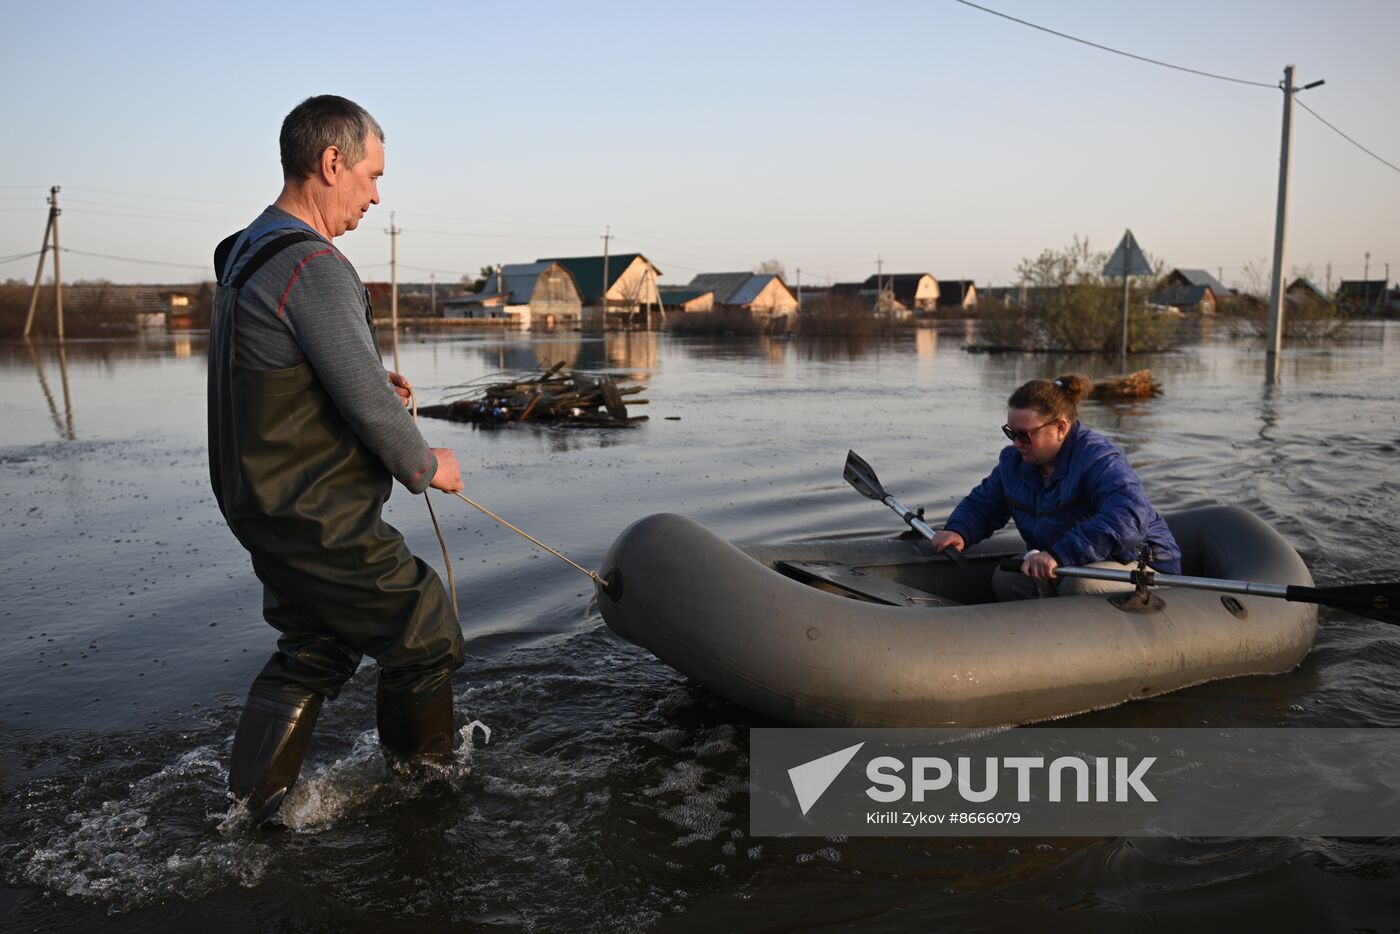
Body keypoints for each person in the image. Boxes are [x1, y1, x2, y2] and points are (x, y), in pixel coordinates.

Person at [208, 95, 466, 822]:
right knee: (423, 630)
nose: (376, 196)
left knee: (316, 645)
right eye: (372, 175)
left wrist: (363, 377)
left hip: (259, 500)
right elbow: (370, 407)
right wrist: (425, 465)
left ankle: (247, 817)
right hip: (313, 508)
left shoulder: (248, 249)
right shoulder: (314, 263)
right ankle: (428, 804)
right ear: (331, 163)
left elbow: (288, 363)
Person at [929, 374, 1181, 601]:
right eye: (1011, 433)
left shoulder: (1099, 458)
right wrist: (959, 531)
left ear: (1060, 427)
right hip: (1068, 560)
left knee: (1080, 586)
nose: (1017, 443)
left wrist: (1059, 554)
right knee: (1007, 579)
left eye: (1025, 435)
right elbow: (984, 505)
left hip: (1135, 561)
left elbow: (1128, 517)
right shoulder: (1013, 463)